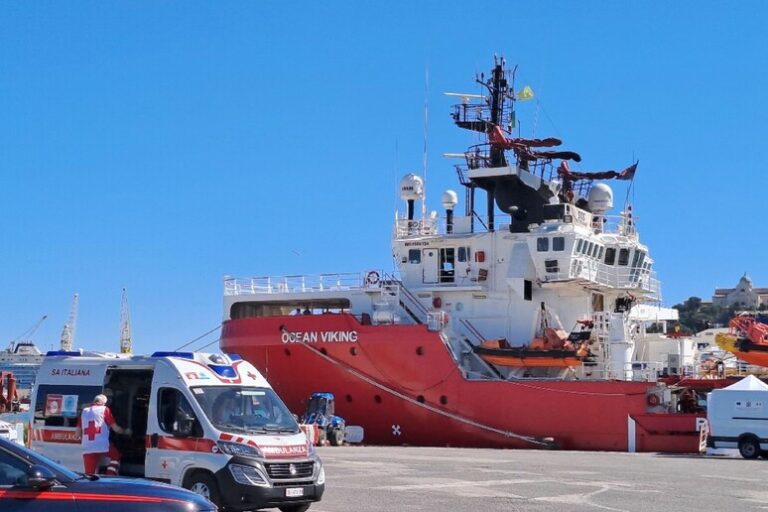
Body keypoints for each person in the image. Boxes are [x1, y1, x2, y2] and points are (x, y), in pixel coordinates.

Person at [78, 394, 131, 475]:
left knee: (89, 474)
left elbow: (77, 433)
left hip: (87, 446)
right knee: (115, 456)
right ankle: (110, 475)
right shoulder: (105, 409)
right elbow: (116, 429)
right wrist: (126, 431)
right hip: (102, 444)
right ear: (104, 403)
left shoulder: (84, 411)